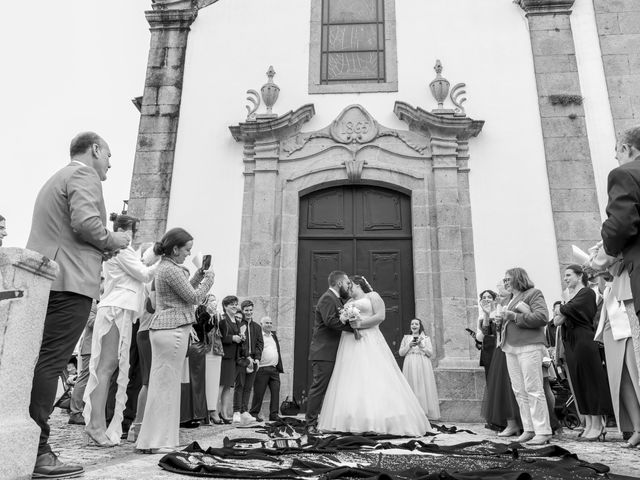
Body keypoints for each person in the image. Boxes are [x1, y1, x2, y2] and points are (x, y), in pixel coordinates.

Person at [26, 132, 130, 478]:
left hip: (49, 279)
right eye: (109, 156)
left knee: (40, 361)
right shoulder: (83, 175)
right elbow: (86, 224)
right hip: (69, 281)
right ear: (95, 150)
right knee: (52, 361)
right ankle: (37, 450)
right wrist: (117, 240)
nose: (110, 164)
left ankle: (30, 442)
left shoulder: (56, 178)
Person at [318, 275, 431, 436]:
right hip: (350, 342)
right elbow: (342, 321)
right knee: (351, 377)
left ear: (357, 284)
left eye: (350, 284)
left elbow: (380, 316)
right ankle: (350, 419)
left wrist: (360, 324)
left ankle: (380, 419)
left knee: (374, 374)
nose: (348, 287)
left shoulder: (373, 296)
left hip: (370, 339)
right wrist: (347, 320)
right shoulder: (348, 303)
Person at [135, 228, 215, 453]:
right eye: (187, 250)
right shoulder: (171, 269)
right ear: (175, 248)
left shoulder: (166, 267)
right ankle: (159, 441)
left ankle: (153, 440)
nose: (189, 254)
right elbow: (194, 297)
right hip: (173, 331)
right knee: (166, 389)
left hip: (165, 331)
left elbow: (184, 288)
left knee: (162, 387)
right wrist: (209, 278)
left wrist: (199, 274)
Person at [83, 213, 159, 446]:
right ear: (130, 231)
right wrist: (163, 261)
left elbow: (142, 262)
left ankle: (98, 424)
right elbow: (144, 273)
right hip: (116, 308)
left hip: (120, 307)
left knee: (108, 367)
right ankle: (96, 425)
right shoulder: (123, 249)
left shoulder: (124, 250)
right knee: (104, 368)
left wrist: (156, 251)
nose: (133, 237)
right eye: (134, 232)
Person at [553, 264, 613, 441]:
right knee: (580, 382)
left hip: (584, 340)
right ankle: (589, 423)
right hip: (571, 342)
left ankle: (598, 424)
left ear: (580, 276)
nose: (565, 278)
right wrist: (562, 309)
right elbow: (557, 320)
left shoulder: (587, 293)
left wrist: (562, 307)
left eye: (569, 275)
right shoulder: (570, 296)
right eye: (564, 275)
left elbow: (563, 312)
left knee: (590, 381)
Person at [500, 267, 552, 445]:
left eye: (508, 279)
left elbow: (542, 317)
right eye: (504, 280)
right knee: (519, 390)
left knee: (534, 388)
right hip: (510, 346)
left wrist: (514, 316)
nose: (505, 282)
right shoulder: (508, 299)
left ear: (518, 278)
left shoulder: (533, 293)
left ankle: (543, 430)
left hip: (529, 345)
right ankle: (529, 428)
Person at [305, 271, 353, 434]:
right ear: (339, 283)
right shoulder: (327, 298)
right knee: (319, 388)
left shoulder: (337, 299)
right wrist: (354, 328)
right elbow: (330, 321)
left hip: (335, 352)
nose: (348, 286)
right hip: (324, 352)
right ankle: (310, 424)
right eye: (347, 283)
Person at [481, 283, 522, 437]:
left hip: (511, 346)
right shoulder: (500, 306)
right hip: (499, 348)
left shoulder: (514, 303)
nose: (498, 295)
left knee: (514, 386)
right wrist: (487, 314)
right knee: (503, 387)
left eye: (500, 292)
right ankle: (510, 423)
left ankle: (520, 423)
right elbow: (487, 332)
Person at [126, 276, 155, 442]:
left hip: (148, 330)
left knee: (148, 381)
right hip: (148, 331)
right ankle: (136, 426)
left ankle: (140, 425)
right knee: (147, 381)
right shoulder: (152, 282)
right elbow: (152, 307)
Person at [399, 318, 440, 419]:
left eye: (416, 324)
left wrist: (422, 346)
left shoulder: (426, 338)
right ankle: (412, 411)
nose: (414, 326)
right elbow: (401, 353)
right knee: (411, 384)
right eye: (412, 324)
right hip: (410, 363)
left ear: (420, 326)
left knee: (422, 385)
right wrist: (409, 345)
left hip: (422, 363)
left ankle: (424, 412)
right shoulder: (406, 338)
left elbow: (430, 353)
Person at [68, 299, 98, 425]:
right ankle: (75, 412)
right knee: (85, 377)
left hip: (96, 346)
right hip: (89, 346)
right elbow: (91, 322)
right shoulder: (92, 302)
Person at [233, 299, 263, 423]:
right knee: (240, 385)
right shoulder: (239, 325)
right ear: (243, 311)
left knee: (248, 387)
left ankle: (245, 411)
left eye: (251, 310)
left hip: (253, 360)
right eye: (246, 310)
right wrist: (247, 357)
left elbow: (260, 343)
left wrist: (257, 358)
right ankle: (236, 411)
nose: (249, 312)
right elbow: (241, 343)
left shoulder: (257, 326)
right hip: (242, 359)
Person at [195, 294, 224, 424]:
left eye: (214, 300)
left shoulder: (218, 316)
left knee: (214, 381)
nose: (213, 303)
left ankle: (213, 409)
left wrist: (217, 316)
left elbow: (223, 331)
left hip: (216, 350)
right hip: (204, 350)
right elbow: (200, 328)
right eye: (211, 300)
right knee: (203, 381)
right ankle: (202, 411)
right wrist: (207, 315)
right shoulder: (200, 312)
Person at [249, 316, 283, 422]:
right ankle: (254, 413)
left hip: (274, 370)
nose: (269, 324)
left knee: (276, 391)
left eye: (270, 323)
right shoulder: (259, 336)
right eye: (266, 323)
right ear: (261, 324)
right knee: (259, 392)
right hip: (262, 369)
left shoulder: (274, 336)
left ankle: (274, 414)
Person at [218, 296, 243, 422]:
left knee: (228, 386)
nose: (234, 306)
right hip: (224, 356)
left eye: (236, 304)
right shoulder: (222, 320)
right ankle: (214, 413)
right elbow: (219, 338)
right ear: (225, 306)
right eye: (232, 304)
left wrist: (240, 337)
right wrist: (232, 338)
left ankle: (224, 412)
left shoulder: (237, 322)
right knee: (221, 385)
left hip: (234, 357)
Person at [476, 289, 498, 378]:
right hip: (488, 350)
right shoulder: (481, 316)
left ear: (494, 300)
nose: (486, 299)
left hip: (498, 348)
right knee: (490, 377)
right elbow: (480, 338)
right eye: (484, 297)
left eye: (489, 297)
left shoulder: (498, 312)